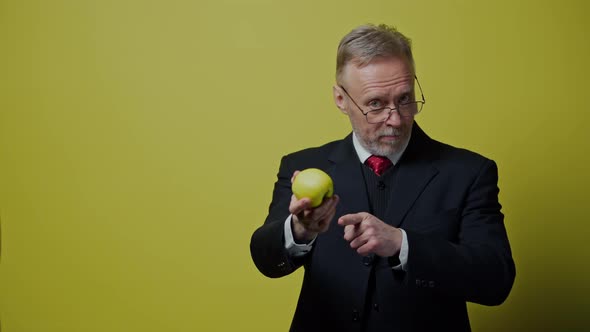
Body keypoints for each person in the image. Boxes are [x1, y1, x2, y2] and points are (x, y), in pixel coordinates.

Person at [250, 24, 515, 332]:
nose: (396, 119)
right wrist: (299, 229)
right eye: (376, 104)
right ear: (340, 99)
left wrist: (402, 244)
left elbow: (496, 280)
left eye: (405, 99)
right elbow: (266, 261)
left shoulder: (469, 172)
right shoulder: (302, 164)